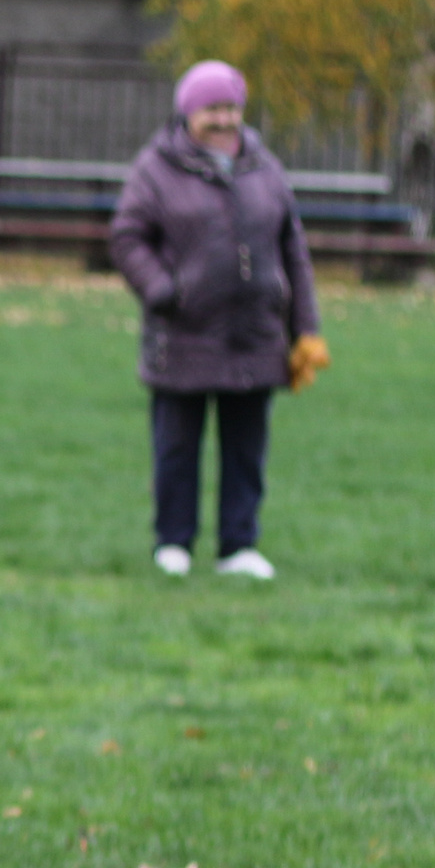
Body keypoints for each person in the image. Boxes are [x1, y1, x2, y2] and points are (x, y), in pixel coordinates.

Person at [107, 59, 328, 582]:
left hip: (255, 335)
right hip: (183, 334)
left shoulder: (265, 167)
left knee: (247, 448)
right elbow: (127, 237)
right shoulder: (155, 168)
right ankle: (173, 542)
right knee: (177, 446)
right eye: (213, 109)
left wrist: (306, 330)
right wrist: (164, 290)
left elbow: (292, 249)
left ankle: (239, 545)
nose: (225, 119)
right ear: (189, 112)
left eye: (232, 108)